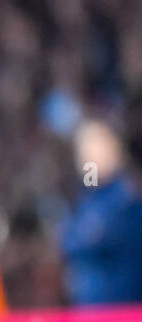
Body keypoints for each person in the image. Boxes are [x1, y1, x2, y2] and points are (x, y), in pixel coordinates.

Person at [60, 119, 142, 305]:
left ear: (113, 149)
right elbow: (68, 242)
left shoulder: (127, 197)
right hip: (88, 309)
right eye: (83, 149)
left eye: (95, 146)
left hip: (122, 309)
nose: (87, 157)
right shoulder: (87, 197)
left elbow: (96, 239)